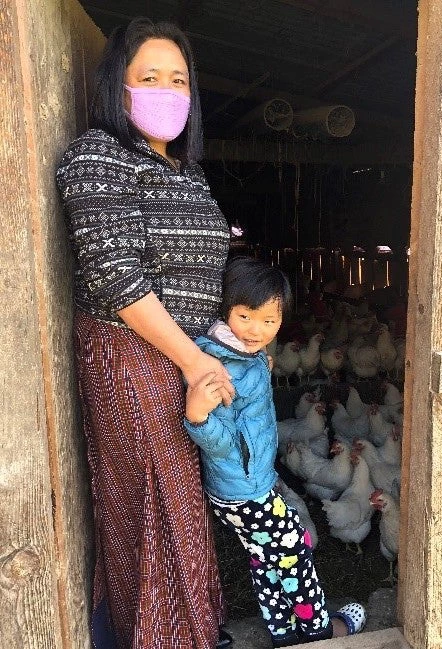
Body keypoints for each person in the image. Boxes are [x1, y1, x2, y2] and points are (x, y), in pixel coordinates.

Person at [56, 16, 234, 649]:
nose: (167, 89)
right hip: (130, 358)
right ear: (119, 87)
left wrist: (224, 353)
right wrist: (194, 361)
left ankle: (182, 633)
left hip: (188, 359)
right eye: (149, 77)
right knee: (158, 505)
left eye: (179, 78)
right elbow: (115, 272)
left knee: (181, 508)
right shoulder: (94, 157)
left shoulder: (189, 173)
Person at [184, 257, 367, 648]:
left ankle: (283, 631)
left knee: (266, 561)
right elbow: (222, 439)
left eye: (269, 320)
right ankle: (319, 630)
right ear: (226, 309)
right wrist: (198, 418)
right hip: (245, 489)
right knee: (295, 554)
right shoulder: (221, 367)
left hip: (243, 485)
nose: (256, 329)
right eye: (246, 316)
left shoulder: (241, 356)